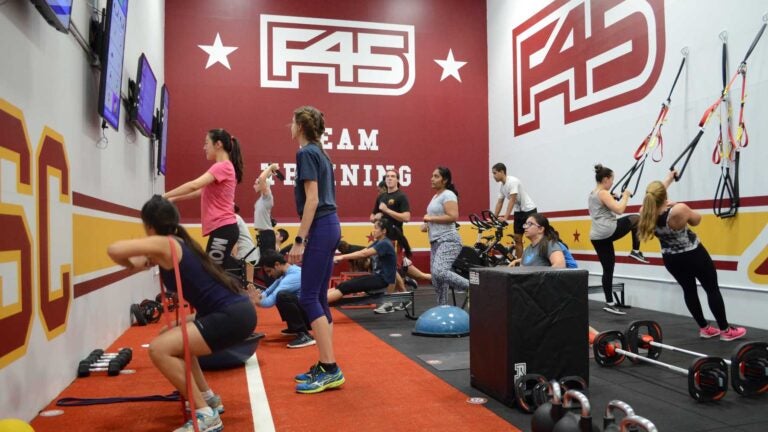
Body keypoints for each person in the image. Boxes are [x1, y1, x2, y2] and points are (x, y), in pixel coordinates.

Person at [107, 195, 255, 432]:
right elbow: (130, 262)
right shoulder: (174, 243)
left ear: (149, 226)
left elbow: (113, 250)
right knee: (170, 333)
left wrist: (142, 251)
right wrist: (144, 259)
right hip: (236, 311)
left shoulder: (165, 244)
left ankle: (205, 416)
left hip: (231, 314)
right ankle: (207, 398)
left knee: (159, 349)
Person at [637, 171, 746, 341]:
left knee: (689, 291)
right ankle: (725, 331)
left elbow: (655, 195)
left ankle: (704, 328)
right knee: (712, 288)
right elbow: (697, 220)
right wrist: (676, 205)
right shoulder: (678, 210)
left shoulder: (645, 211)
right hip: (694, 255)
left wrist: (669, 179)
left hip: (672, 260)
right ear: (664, 197)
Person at [287, 105, 344, 394]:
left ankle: (331, 368)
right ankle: (325, 363)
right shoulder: (320, 153)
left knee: (307, 296)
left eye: (292, 121)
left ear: (300, 126)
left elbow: (312, 200)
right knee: (318, 296)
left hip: (321, 226)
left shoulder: (306, 152)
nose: (289, 125)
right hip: (329, 225)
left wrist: (299, 239)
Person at [163, 128, 244, 269]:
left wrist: (164, 195)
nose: (204, 147)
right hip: (223, 229)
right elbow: (200, 191)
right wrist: (174, 199)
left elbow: (194, 185)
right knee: (215, 273)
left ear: (218, 144)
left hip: (223, 228)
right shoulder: (224, 167)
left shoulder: (222, 166)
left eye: (207, 143)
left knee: (212, 274)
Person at [589, 164, 648, 315]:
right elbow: (620, 209)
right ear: (605, 179)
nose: (612, 183)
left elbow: (604, 207)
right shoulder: (603, 193)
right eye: (612, 180)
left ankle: (609, 303)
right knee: (637, 218)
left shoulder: (593, 193)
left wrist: (614, 198)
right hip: (607, 231)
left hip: (597, 236)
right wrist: (626, 195)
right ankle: (635, 250)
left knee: (608, 269)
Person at [329, 219, 411, 313]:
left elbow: (364, 254)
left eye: (376, 228)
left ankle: (319, 303)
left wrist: (342, 257)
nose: (373, 231)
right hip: (377, 277)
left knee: (346, 287)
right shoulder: (379, 242)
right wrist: (342, 256)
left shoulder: (385, 243)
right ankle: (319, 300)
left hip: (382, 280)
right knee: (344, 285)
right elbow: (363, 251)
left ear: (384, 231)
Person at [422, 166, 469, 305]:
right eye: (432, 175)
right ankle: (442, 309)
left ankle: (473, 287)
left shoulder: (448, 194)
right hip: (435, 241)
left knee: (439, 272)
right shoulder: (435, 196)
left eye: (436, 176)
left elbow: (453, 216)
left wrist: (430, 219)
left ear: (445, 180)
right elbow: (436, 217)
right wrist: (427, 225)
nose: (432, 179)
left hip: (449, 240)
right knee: (438, 282)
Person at [250, 251, 315, 349]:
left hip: (312, 318)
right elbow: (268, 292)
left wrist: (257, 301)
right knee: (280, 295)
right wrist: (258, 296)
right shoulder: (285, 273)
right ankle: (294, 328)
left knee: (282, 296)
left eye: (269, 271)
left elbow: (269, 302)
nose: (269, 275)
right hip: (306, 312)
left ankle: (304, 335)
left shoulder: (292, 276)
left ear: (277, 265)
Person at [492, 162, 538, 260]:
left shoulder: (512, 181)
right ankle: (518, 263)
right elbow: (500, 202)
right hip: (519, 212)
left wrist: (505, 218)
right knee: (517, 238)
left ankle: (539, 260)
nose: (493, 176)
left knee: (534, 237)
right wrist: (493, 217)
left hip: (529, 210)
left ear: (502, 172)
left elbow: (512, 200)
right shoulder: (502, 187)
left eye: (495, 173)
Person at [254, 163, 280, 258]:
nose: (254, 185)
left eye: (256, 183)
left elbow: (261, 179)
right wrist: (269, 172)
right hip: (262, 234)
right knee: (263, 263)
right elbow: (263, 179)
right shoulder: (262, 199)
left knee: (268, 263)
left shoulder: (268, 197)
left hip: (267, 234)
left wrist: (270, 167)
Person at [233, 204, 258, 285]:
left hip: (247, 253)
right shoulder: (235, 218)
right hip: (247, 253)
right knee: (247, 283)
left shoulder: (234, 217)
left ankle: (251, 297)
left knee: (249, 283)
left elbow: (234, 239)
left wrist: (234, 257)